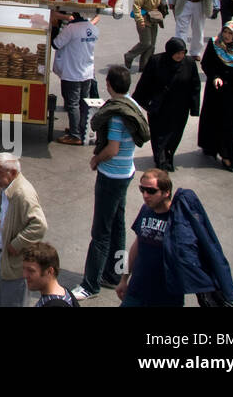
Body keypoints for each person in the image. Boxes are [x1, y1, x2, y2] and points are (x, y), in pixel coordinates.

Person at [70, 65, 150, 300]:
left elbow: (112, 149)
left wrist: (96, 158)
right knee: (117, 225)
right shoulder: (132, 105)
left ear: (110, 85)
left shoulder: (116, 115)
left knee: (101, 232)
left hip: (111, 175)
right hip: (127, 172)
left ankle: (90, 284)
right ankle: (115, 274)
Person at [116, 168, 233, 307]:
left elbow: (199, 253)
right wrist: (123, 279)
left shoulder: (180, 221)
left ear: (166, 192)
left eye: (151, 191)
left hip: (167, 298)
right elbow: (137, 245)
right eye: (142, 189)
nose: (145, 195)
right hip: (136, 290)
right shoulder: (145, 210)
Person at [0, 153, 47, 307]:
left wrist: (17, 244)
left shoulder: (23, 194)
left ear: (12, 172)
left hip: (15, 261)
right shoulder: (5, 186)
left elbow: (39, 225)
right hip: (2, 256)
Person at [134, 37, 200, 171]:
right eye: (177, 53)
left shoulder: (189, 63)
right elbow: (145, 82)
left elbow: (195, 85)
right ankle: (161, 159)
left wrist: (194, 108)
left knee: (175, 134)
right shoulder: (156, 61)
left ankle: (168, 155)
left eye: (182, 53)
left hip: (180, 108)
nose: (180, 56)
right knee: (158, 134)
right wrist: (143, 101)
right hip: (160, 107)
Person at [198, 21, 233, 172]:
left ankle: (227, 156)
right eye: (225, 32)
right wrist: (214, 76)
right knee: (212, 117)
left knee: (230, 123)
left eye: (230, 33)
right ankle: (209, 147)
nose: (226, 36)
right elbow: (206, 63)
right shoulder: (215, 44)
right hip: (216, 89)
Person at [53, 10, 99, 145]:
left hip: (72, 72)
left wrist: (55, 26)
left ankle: (75, 135)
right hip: (87, 72)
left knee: (72, 104)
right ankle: (80, 129)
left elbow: (56, 44)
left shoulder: (71, 29)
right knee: (83, 103)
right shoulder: (93, 28)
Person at [124, 0, 166, 72]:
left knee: (152, 45)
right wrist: (139, 20)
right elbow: (136, 6)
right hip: (144, 19)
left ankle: (145, 65)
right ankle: (129, 56)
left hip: (154, 18)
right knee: (145, 43)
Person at [23, 243, 78, 307]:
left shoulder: (56, 305)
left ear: (49, 271)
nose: (25, 275)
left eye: (31, 271)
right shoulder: (64, 292)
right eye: (23, 269)